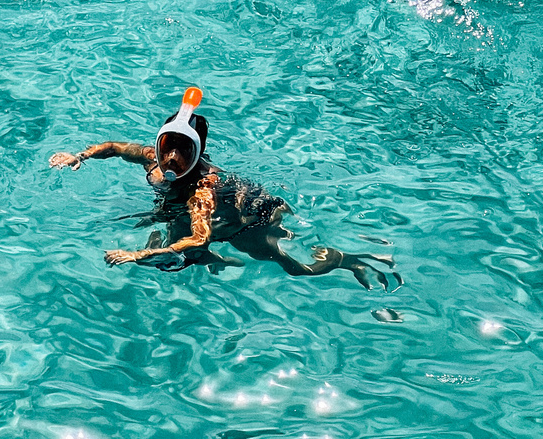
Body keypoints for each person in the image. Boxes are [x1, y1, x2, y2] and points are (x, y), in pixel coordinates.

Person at [49, 87, 400, 289]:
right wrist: (79, 156)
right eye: (166, 146)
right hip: (191, 211)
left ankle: (348, 261)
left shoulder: (203, 189)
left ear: (197, 155)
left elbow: (200, 234)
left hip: (247, 219)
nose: (171, 158)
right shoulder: (149, 158)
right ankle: (209, 261)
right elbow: (112, 147)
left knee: (291, 265)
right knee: (171, 250)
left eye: (183, 152)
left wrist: (137, 254)